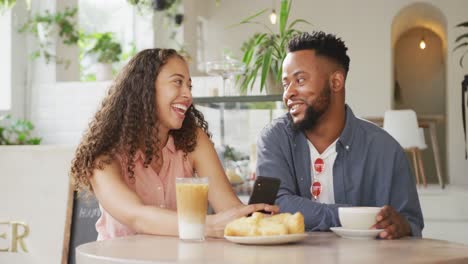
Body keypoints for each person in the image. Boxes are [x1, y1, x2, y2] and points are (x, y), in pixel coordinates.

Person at [70, 48, 278, 240]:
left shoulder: (193, 141)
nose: (188, 95)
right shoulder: (104, 154)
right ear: (146, 88)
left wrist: (252, 219)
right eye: (177, 82)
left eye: (189, 85)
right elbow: (136, 216)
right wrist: (208, 225)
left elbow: (228, 208)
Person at [256, 31, 423, 239]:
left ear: (336, 82)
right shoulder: (275, 139)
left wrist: (400, 225)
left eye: (299, 80)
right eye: (285, 83)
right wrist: (350, 216)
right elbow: (272, 205)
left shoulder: (386, 150)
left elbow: (411, 223)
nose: (288, 93)